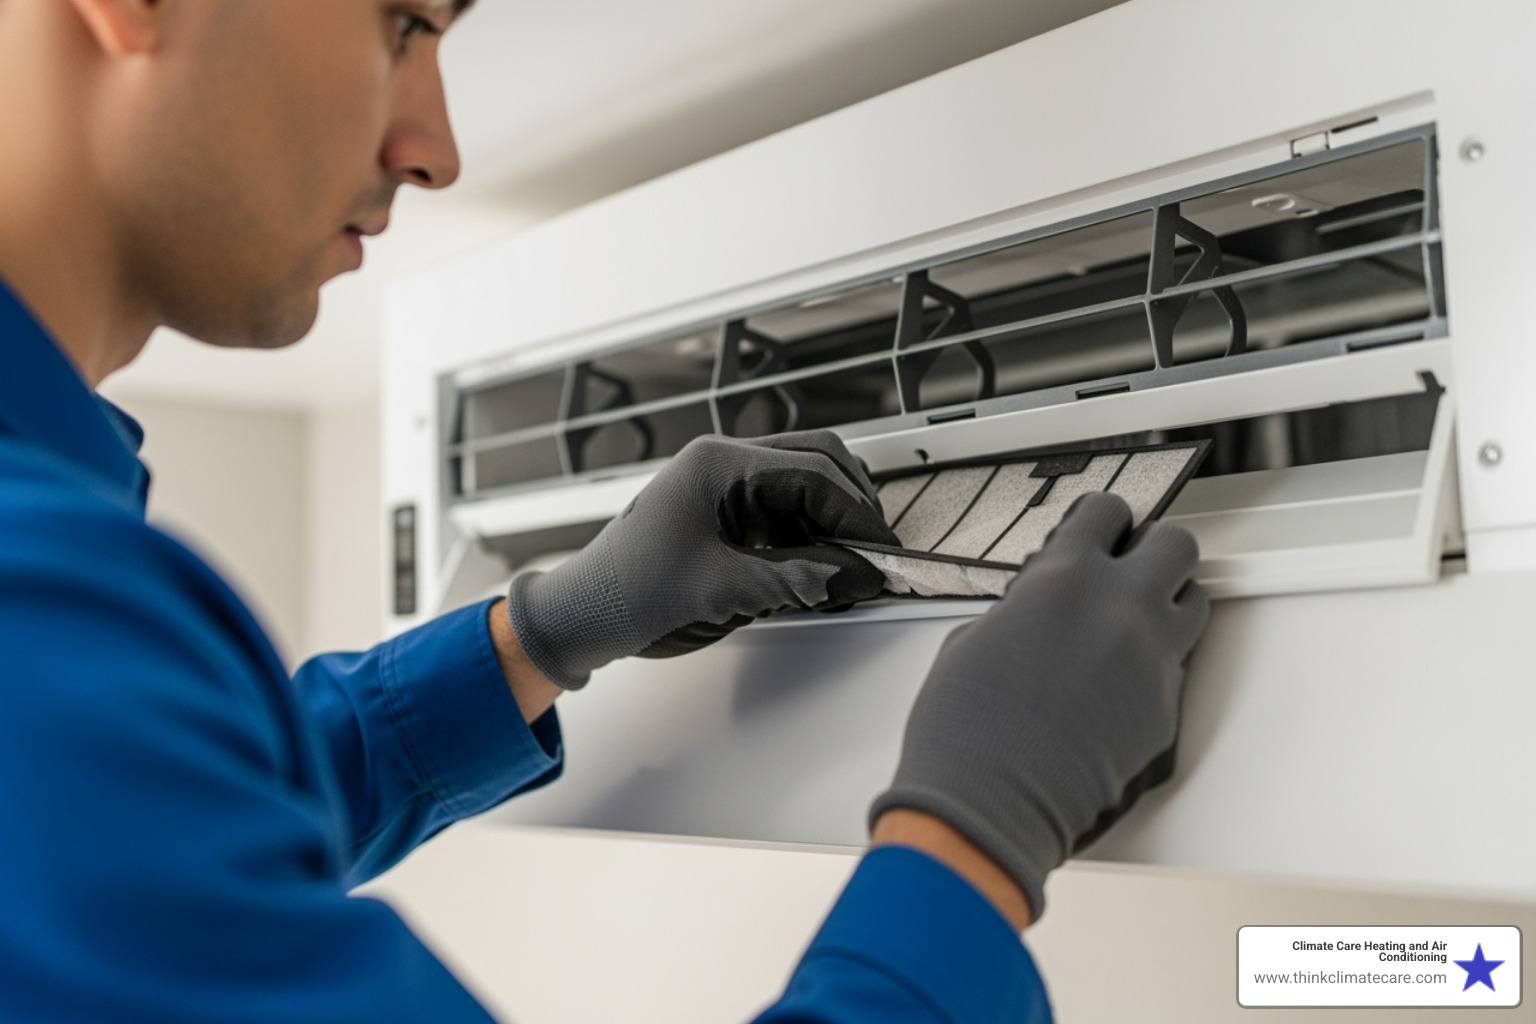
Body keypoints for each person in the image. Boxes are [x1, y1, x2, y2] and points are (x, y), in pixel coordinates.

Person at [0, 1, 1209, 1021]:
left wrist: (543, 632)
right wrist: (973, 844)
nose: (438, 148)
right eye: (402, 20)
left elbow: (173, 836)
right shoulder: (40, 616)